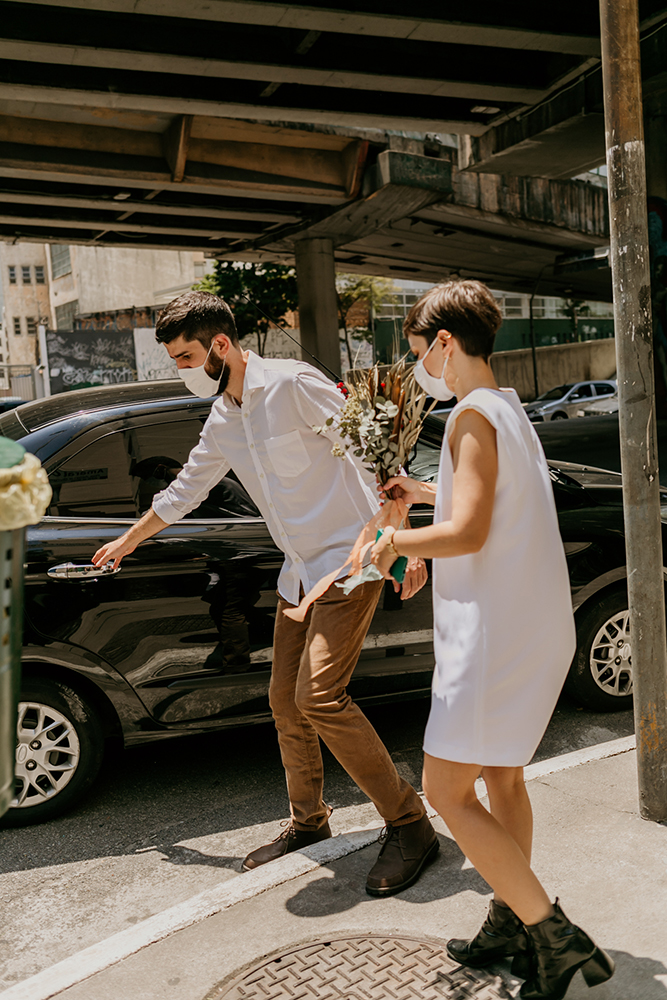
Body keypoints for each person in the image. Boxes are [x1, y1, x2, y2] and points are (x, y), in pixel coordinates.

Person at [92, 290, 438, 896]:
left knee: (319, 696)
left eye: (186, 357)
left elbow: (376, 452)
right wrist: (128, 540)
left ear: (221, 345)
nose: (182, 370)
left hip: (350, 559)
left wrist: (403, 544)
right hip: (298, 572)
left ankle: (411, 824)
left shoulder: (293, 384)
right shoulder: (223, 420)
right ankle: (309, 822)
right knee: (285, 702)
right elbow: (184, 491)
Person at [371, 280, 614, 999]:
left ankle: (553, 935)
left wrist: (391, 542)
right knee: (501, 779)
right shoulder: (505, 408)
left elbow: (470, 531)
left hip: (493, 637)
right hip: (531, 626)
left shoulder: (469, 417)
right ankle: (510, 922)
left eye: (420, 351)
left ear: (445, 342)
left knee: (444, 789)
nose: (420, 367)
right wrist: (424, 498)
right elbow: (494, 506)